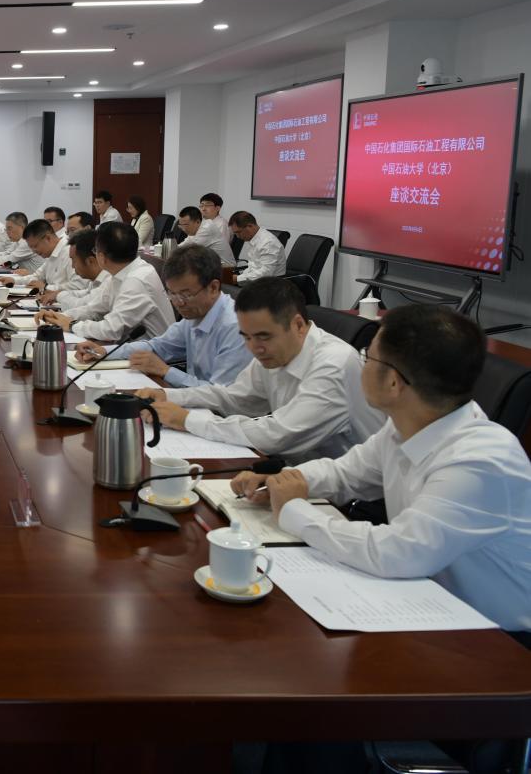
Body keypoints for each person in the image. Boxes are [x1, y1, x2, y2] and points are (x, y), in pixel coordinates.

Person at [230, 304, 530, 634]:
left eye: (367, 357)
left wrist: (294, 509)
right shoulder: (410, 423)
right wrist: (285, 481)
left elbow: (396, 552)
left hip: (500, 639)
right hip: (427, 601)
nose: (361, 365)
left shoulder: (479, 461)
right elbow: (347, 473)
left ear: (393, 383)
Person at [137, 278, 384, 463]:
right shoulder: (272, 351)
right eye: (246, 337)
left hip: (353, 498)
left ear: (298, 325)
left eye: (263, 336)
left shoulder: (333, 364)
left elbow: (278, 434)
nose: (255, 348)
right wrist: (169, 396)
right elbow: (235, 398)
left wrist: (187, 420)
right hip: (300, 471)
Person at [76, 244, 251, 387]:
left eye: (185, 295)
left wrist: (166, 371)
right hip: (197, 403)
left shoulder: (236, 328)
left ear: (213, 288)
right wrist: (104, 352)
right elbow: (157, 346)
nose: (178, 303)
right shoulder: (195, 315)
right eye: (172, 294)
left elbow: (222, 396)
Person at [39, 222, 174, 342]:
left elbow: (111, 330)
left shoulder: (136, 281)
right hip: (131, 349)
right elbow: (94, 309)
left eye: (95, 250)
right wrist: (59, 317)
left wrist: (72, 325)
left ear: (101, 257)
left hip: (154, 357)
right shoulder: (120, 273)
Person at [0, 219, 68, 295]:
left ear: (48, 238)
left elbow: (76, 287)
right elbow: (37, 276)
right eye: (31, 247)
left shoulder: (69, 252)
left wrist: (46, 287)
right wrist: (14, 280)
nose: (34, 251)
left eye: (35, 246)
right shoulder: (51, 254)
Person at [228, 211, 287, 283]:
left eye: (239, 232)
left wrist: (237, 279)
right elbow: (253, 267)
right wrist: (240, 276)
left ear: (250, 226)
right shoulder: (255, 239)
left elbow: (266, 274)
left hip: (271, 285)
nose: (237, 236)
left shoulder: (268, 243)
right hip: (258, 282)